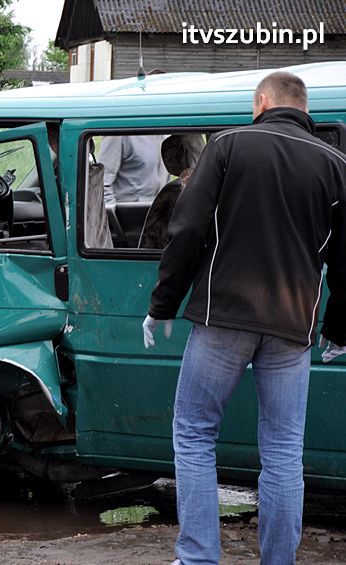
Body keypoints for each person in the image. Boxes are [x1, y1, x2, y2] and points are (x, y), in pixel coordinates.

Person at [142, 72, 346, 564]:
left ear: (261, 102)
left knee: (194, 432)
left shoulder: (229, 146)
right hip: (293, 327)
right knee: (282, 452)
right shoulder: (337, 164)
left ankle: (197, 559)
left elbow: (187, 228)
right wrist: (338, 330)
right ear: (305, 108)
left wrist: (162, 305)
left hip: (223, 315)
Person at [98, 134, 168, 206]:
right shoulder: (118, 135)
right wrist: (112, 214)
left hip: (157, 209)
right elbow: (101, 182)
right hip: (127, 210)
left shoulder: (163, 132)